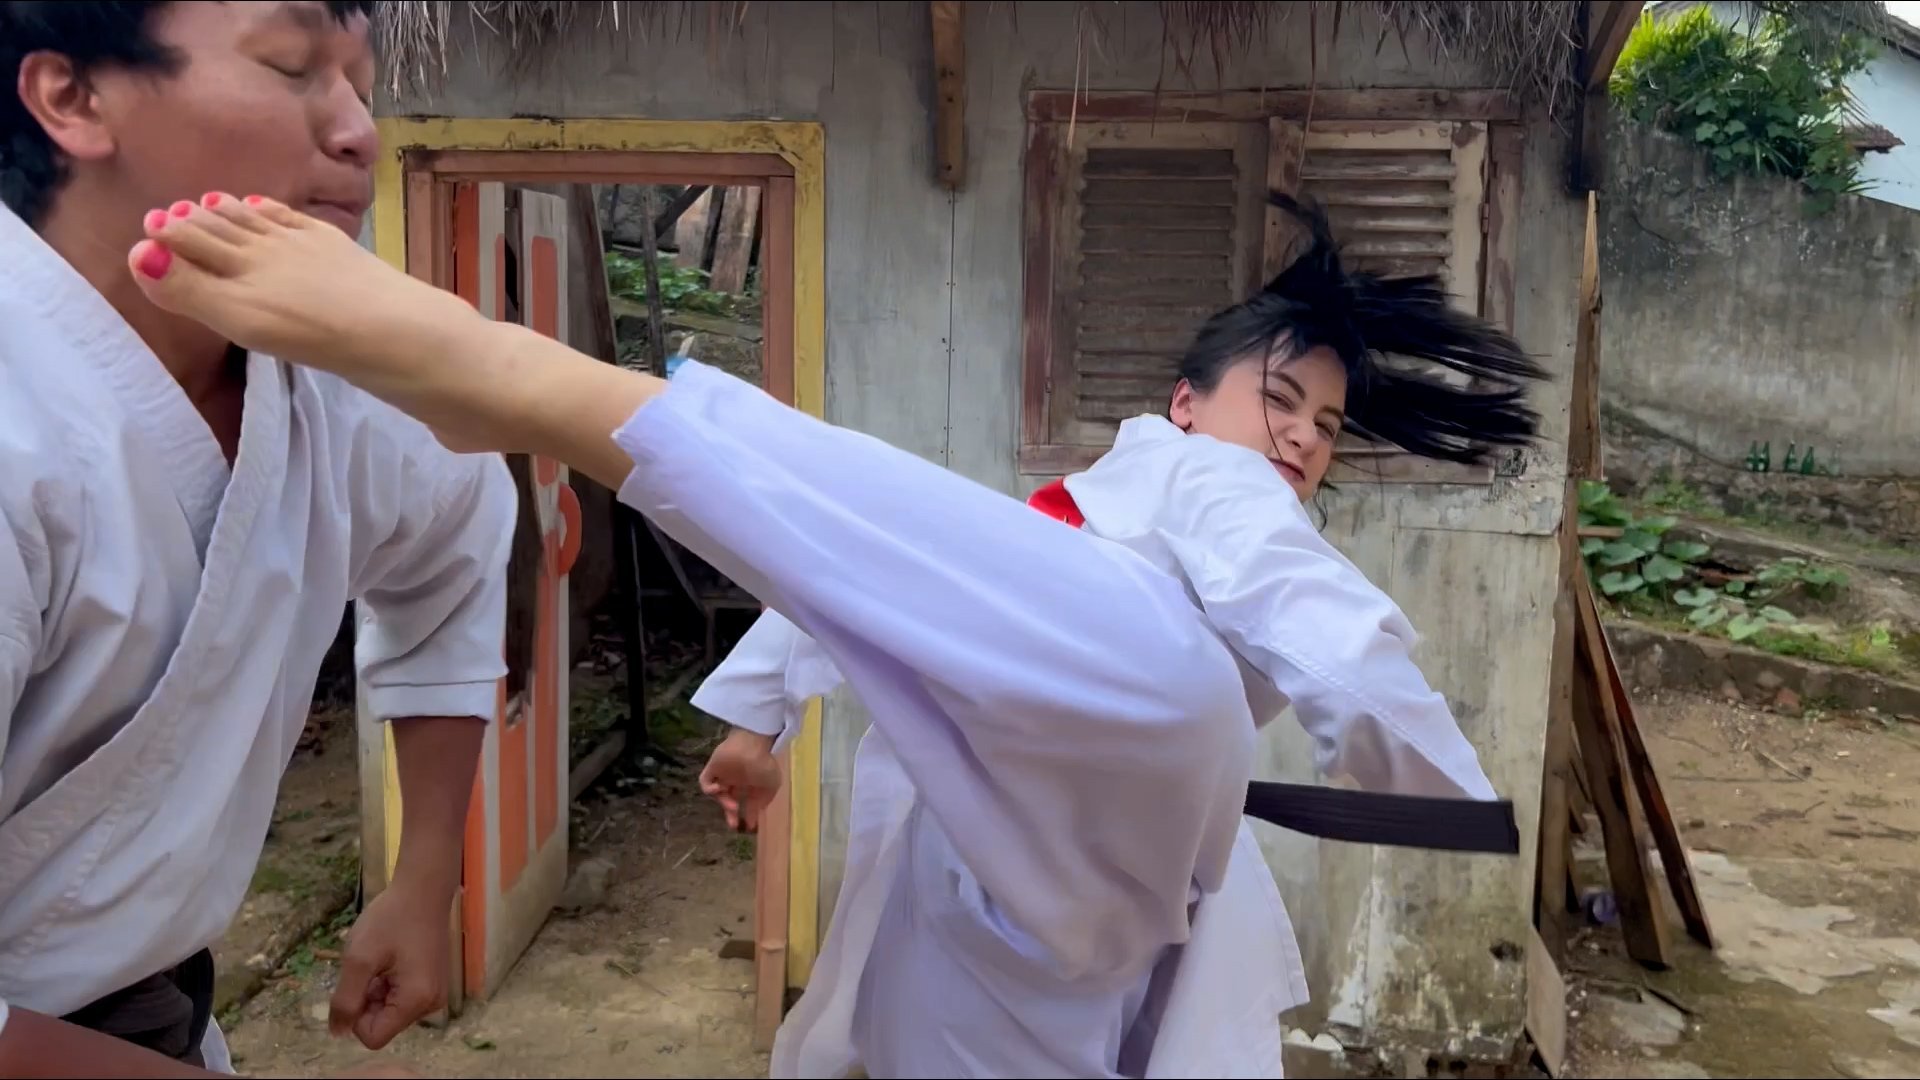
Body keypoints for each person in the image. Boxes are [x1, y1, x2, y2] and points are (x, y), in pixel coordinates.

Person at [121, 190, 1548, 1079]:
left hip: (1119, 778)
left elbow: (1306, 621)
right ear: (1186, 403)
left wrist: (1420, 786)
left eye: (1325, 428)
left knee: (1023, 606)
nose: (1299, 442)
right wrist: (759, 724)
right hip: (1032, 862)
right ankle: (558, 395)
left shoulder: (1198, 506)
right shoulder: (1131, 495)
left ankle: (557, 391)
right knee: (959, 967)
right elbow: (886, 602)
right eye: (1278, 403)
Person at [0, 4, 514, 1077]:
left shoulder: (329, 383)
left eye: (362, 86)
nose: (358, 132)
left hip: (153, 1009)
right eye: (290, 68)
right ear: (73, 98)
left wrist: (423, 880)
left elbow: (456, 544)